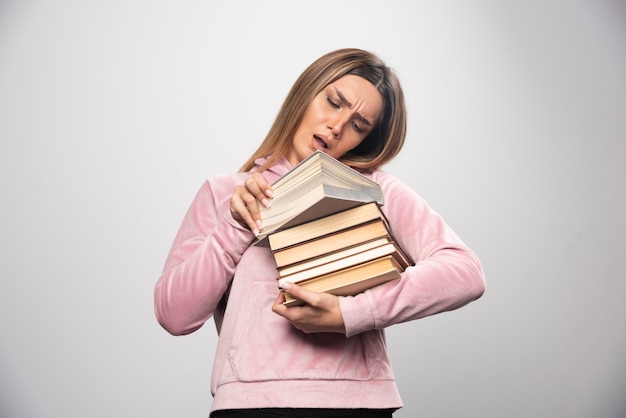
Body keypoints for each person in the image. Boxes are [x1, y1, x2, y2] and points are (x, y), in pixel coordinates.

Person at [154, 48, 485, 418]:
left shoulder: (373, 189)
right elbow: (175, 315)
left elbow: (465, 273)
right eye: (333, 102)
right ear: (306, 93)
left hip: (358, 403)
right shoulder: (224, 193)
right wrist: (237, 223)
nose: (337, 126)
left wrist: (352, 313)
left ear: (366, 140)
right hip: (250, 405)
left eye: (359, 125)